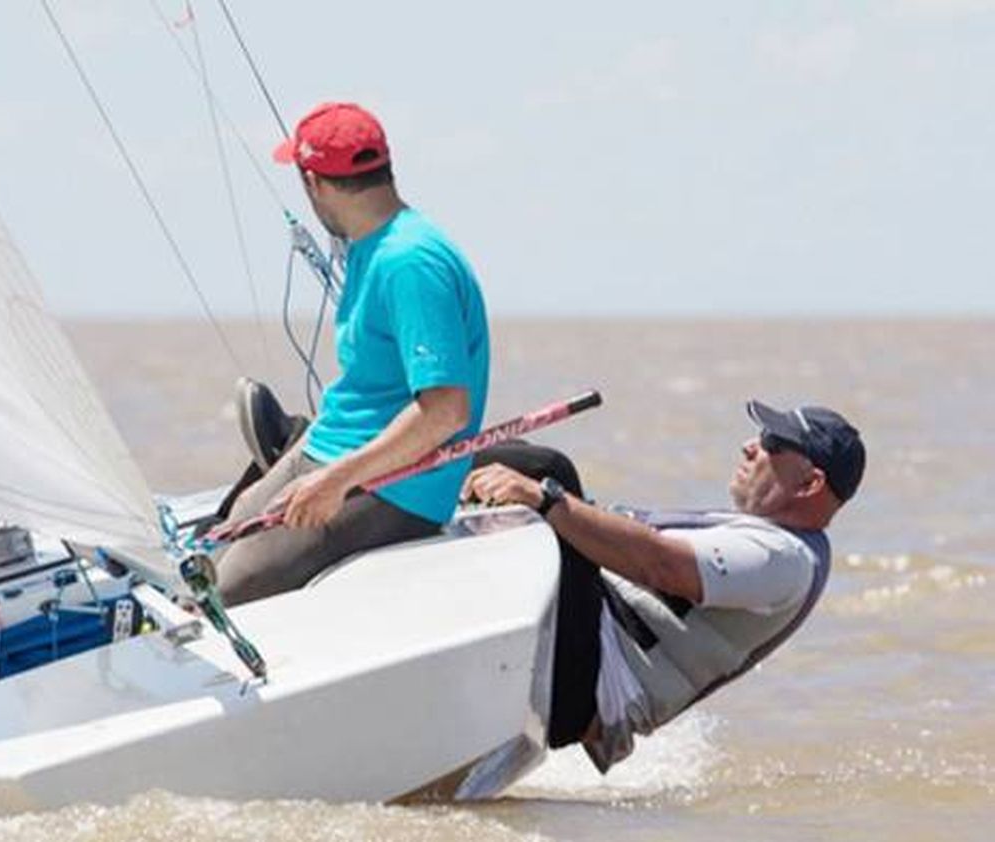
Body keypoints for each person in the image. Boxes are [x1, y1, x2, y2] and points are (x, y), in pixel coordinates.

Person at [461, 400, 866, 771]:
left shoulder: (783, 560)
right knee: (523, 459)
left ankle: (403, 493)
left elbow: (661, 566)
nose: (750, 447)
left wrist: (546, 499)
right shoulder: (770, 540)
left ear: (810, 484)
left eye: (773, 443)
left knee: (547, 471)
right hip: (587, 646)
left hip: (587, 687)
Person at [215, 102, 490, 606]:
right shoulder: (372, 245)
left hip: (398, 486)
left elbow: (447, 411)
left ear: (313, 183)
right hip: (333, 446)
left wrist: (335, 481)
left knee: (235, 593)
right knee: (216, 548)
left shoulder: (410, 262)